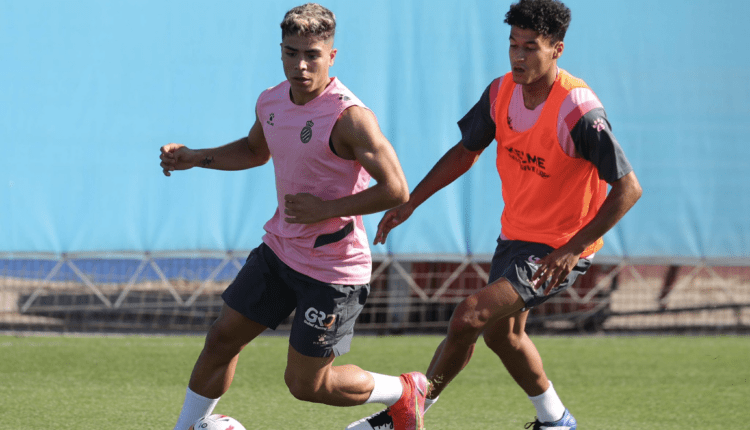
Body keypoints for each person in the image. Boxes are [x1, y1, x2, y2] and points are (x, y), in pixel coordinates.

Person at [347, 0, 642, 429]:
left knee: (470, 314)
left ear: (557, 50)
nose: (519, 56)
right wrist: (409, 204)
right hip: (517, 236)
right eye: (513, 45)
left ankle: (407, 413)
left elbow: (628, 188)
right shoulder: (501, 91)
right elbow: (465, 153)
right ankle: (556, 419)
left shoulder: (578, 108)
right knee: (503, 336)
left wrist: (572, 249)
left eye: (531, 47)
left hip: (560, 247)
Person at [159, 4, 428, 430]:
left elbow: (397, 189)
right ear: (280, 51)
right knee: (222, 338)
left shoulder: (350, 117)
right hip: (280, 249)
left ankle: (404, 391)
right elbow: (254, 150)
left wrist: (326, 209)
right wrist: (196, 157)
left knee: (306, 385)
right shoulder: (270, 101)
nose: (300, 65)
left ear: (332, 56)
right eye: (291, 53)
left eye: (312, 55)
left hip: (333, 268)